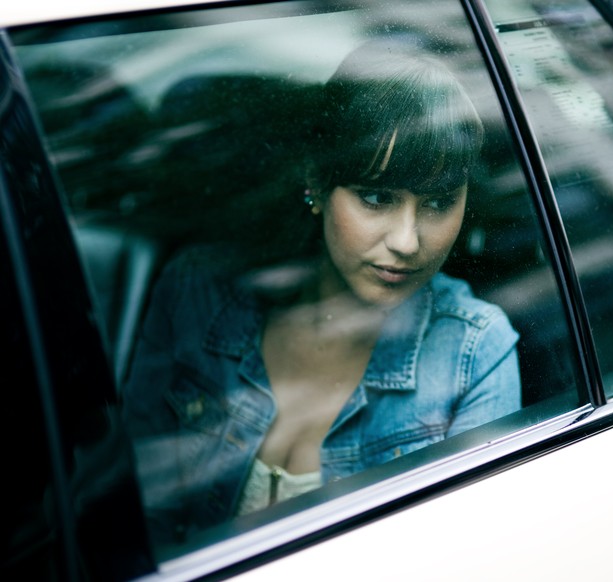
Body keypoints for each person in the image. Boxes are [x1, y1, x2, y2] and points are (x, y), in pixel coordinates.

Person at [122, 41, 521, 546]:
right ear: (316, 181)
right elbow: (135, 511)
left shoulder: (474, 354)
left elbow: (460, 553)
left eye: (439, 202)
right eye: (377, 198)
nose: (407, 241)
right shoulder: (200, 291)